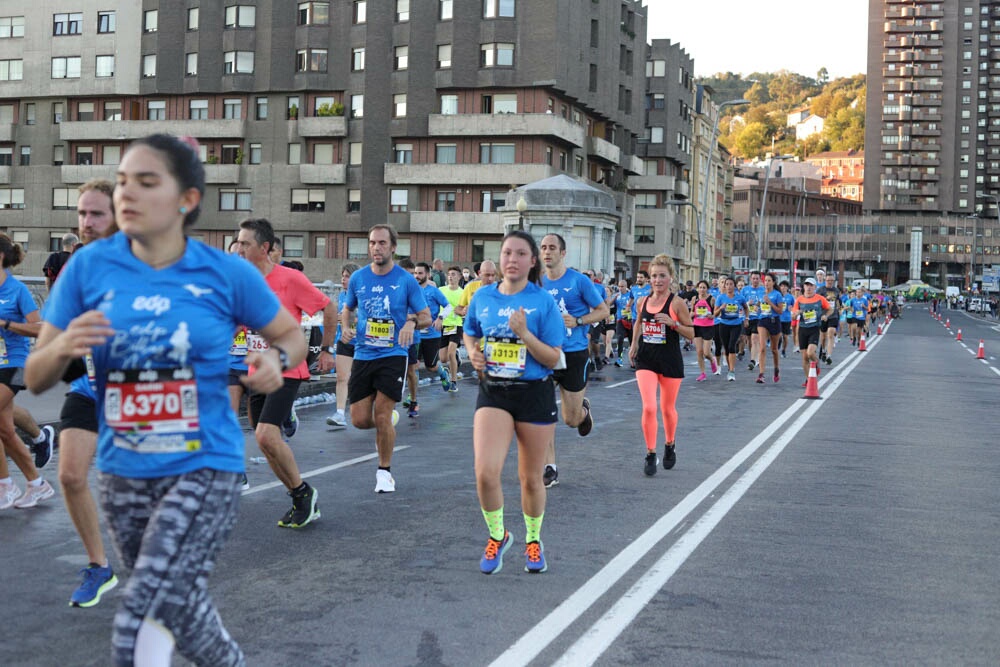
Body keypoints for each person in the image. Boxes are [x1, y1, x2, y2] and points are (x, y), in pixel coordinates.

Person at [27, 133, 307, 665]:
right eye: (124, 182)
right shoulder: (87, 269)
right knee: (174, 606)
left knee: (144, 609)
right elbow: (37, 375)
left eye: (147, 182)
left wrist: (274, 358)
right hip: (124, 470)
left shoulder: (225, 271)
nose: (128, 194)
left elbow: (290, 334)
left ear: (187, 200)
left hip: (205, 464)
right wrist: (63, 343)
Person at [463, 230, 563, 574]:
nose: (512, 259)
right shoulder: (483, 297)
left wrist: (524, 334)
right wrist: (472, 352)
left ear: (532, 261)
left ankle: (533, 542)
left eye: (521, 254)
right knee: (485, 473)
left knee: (530, 479)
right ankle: (498, 535)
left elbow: (552, 358)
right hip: (494, 391)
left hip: (534, 393)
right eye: (507, 253)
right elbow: (470, 330)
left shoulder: (542, 302)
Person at [236, 217, 336, 527]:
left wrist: (327, 350)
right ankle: (299, 497)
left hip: (287, 369)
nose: (238, 248)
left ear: (264, 248)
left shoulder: (289, 279)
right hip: (256, 370)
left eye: (245, 243)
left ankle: (304, 494)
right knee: (265, 441)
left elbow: (328, 307)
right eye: (237, 242)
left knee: (266, 433)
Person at [54, 179, 121, 607]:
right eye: (81, 214)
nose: (86, 222)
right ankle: (99, 567)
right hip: (89, 388)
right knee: (70, 474)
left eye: (96, 213)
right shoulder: (77, 270)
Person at [341, 224, 430, 493]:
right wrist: (346, 326)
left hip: (393, 353)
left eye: (381, 243)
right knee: (358, 419)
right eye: (372, 243)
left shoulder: (405, 280)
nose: (376, 248)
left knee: (381, 412)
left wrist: (411, 322)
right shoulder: (358, 278)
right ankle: (387, 423)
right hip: (364, 352)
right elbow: (347, 309)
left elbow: (426, 316)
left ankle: (384, 472)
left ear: (393, 247)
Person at [539, 234, 608, 489]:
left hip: (575, 353)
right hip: (545, 354)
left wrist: (578, 321)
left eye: (552, 248)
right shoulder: (536, 282)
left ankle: (583, 412)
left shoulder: (579, 282)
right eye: (544, 248)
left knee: (570, 420)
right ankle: (550, 467)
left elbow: (603, 311)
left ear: (563, 253)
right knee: (543, 412)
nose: (547, 252)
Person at [0, 233, 54, 511]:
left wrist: (6, 324)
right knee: (6, 431)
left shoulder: (16, 290)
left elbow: (39, 327)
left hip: (15, 362)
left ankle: (5, 485)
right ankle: (36, 484)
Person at [628, 254, 693, 476]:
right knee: (649, 407)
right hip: (646, 358)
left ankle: (669, 443)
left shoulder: (677, 303)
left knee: (667, 409)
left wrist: (673, 324)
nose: (657, 280)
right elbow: (638, 322)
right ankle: (650, 452)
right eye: (653, 276)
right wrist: (634, 344)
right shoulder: (643, 301)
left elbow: (692, 333)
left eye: (662, 276)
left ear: (671, 278)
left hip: (670, 360)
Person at [410, 261, 454, 416]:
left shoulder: (433, 291)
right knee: (413, 366)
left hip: (432, 335)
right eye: (415, 273)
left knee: (431, 366)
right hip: (415, 335)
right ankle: (412, 397)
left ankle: (442, 373)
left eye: (420, 273)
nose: (417, 276)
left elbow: (448, 306)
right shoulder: (411, 290)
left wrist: (441, 317)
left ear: (428, 275)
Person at [326, 263, 360, 427]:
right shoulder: (341, 295)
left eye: (347, 276)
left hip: (362, 342)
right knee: (341, 377)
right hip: (344, 341)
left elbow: (365, 316)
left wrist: (349, 319)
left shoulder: (362, 294)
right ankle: (340, 413)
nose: (343, 279)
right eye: (342, 276)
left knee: (362, 379)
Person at [791, 277, 834, 385]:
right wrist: (795, 314)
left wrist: (825, 316)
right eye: (807, 285)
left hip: (814, 328)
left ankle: (816, 362)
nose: (809, 287)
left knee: (810, 353)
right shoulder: (799, 300)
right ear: (804, 287)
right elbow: (793, 316)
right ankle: (808, 380)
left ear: (815, 287)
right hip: (802, 329)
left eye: (811, 285)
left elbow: (830, 309)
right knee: (804, 357)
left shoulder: (820, 298)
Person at [713, 276, 746, 382]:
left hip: (736, 324)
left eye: (731, 284)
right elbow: (715, 313)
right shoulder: (720, 298)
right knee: (726, 349)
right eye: (727, 284)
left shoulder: (739, 297)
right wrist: (721, 308)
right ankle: (729, 368)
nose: (729, 286)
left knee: (732, 346)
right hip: (723, 325)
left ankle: (732, 371)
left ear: (734, 286)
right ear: (724, 286)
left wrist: (746, 318)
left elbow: (746, 307)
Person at [439, 266, 465, 392]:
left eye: (454, 274)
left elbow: (465, 310)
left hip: (456, 325)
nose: (450, 277)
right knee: (443, 358)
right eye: (449, 274)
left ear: (459, 277)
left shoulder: (462, 293)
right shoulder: (441, 290)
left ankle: (453, 382)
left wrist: (461, 312)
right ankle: (456, 355)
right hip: (443, 325)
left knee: (450, 353)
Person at [755, 272, 784, 384]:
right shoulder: (762, 293)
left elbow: (780, 311)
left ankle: (776, 369)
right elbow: (760, 305)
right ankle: (761, 374)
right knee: (762, 347)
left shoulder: (777, 294)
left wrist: (770, 303)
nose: (766, 283)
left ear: (773, 282)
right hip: (763, 320)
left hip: (774, 321)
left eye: (769, 281)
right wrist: (758, 307)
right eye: (765, 281)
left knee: (774, 349)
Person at [689, 280, 717, 381]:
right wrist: (691, 314)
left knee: (706, 352)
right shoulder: (694, 299)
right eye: (700, 287)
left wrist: (712, 316)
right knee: (699, 351)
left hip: (708, 327)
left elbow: (716, 313)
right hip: (697, 326)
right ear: (697, 288)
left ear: (707, 289)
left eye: (704, 287)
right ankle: (703, 373)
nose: (702, 289)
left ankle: (712, 360)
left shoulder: (712, 299)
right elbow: (691, 312)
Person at [611, 279, 632, 366]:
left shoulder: (631, 295)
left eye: (622, 286)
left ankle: (633, 359)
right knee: (620, 339)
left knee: (632, 341)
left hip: (630, 320)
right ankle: (619, 358)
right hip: (620, 320)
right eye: (619, 286)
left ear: (626, 286)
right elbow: (609, 304)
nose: (620, 288)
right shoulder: (617, 296)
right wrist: (614, 298)